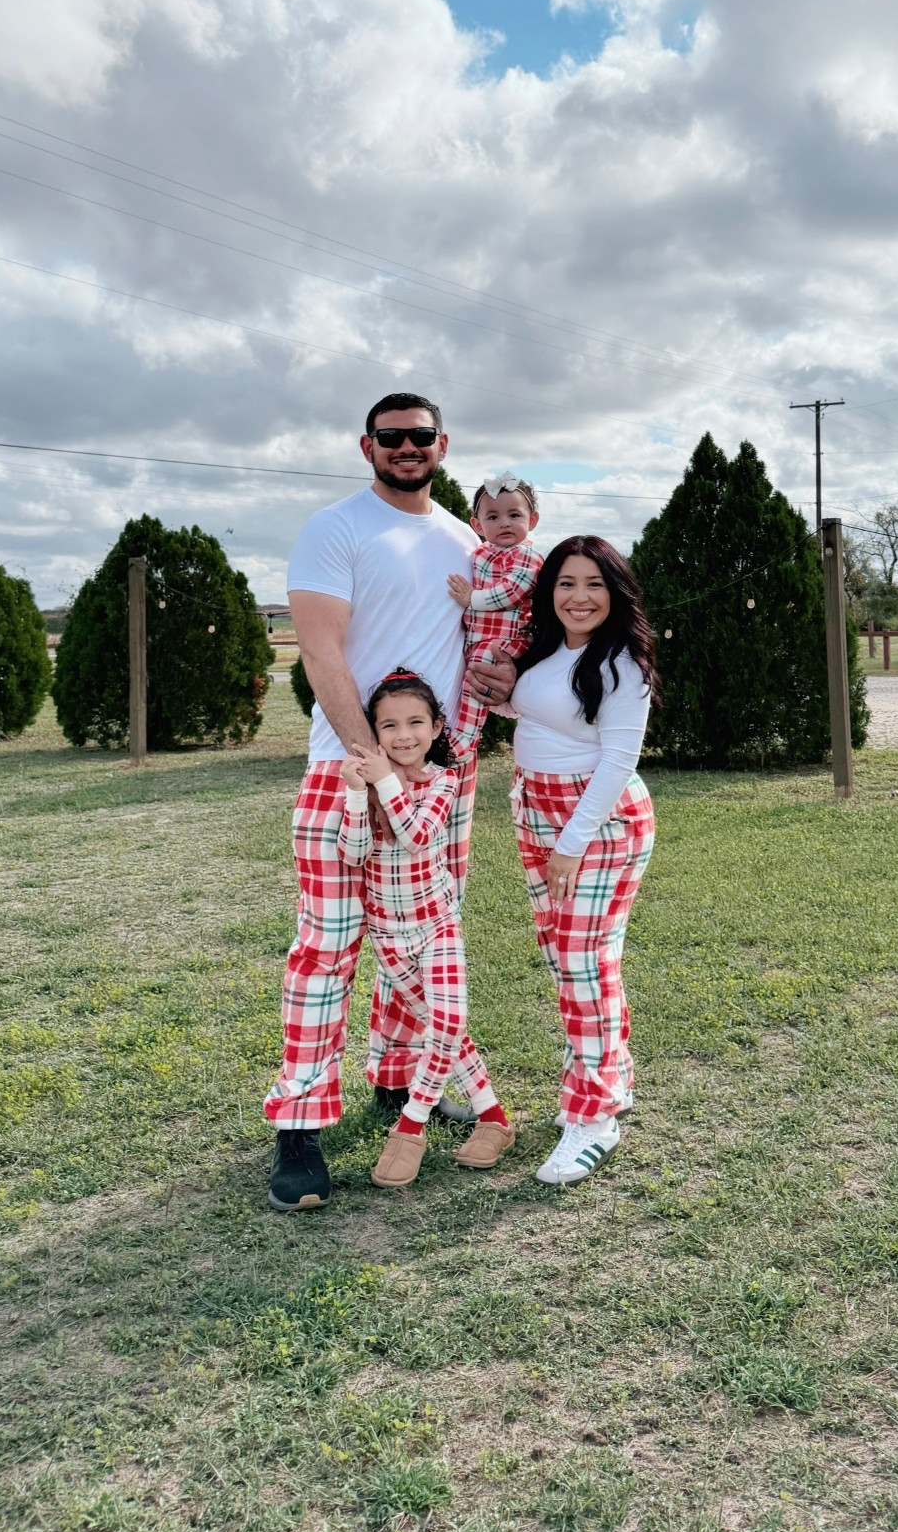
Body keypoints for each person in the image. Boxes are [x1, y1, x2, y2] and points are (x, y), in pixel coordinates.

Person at [265, 391, 495, 1212]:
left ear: (441, 444)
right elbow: (321, 653)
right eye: (392, 437)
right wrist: (371, 761)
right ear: (368, 445)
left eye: (420, 437)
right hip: (347, 771)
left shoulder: (467, 540)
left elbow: (478, 648)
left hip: (438, 782)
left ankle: (397, 1081)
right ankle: (298, 1127)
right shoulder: (336, 528)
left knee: (419, 935)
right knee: (327, 950)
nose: (407, 447)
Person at [265, 669, 514, 1196]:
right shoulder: (373, 789)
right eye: (390, 726)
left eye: (416, 722)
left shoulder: (443, 781)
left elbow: (419, 836)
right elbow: (354, 852)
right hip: (390, 935)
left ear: (437, 725)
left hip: (436, 924)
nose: (404, 736)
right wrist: (360, 795)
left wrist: (383, 783)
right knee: (440, 1024)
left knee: (448, 1022)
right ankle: (493, 1115)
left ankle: (411, 1127)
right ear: (373, 733)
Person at [503, 537, 658, 1187]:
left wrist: (569, 845)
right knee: (572, 962)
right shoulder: (546, 651)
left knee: (580, 961)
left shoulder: (622, 663)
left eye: (593, 584)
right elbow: (542, 714)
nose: (579, 596)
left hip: (598, 822)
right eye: (566, 583)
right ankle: (610, 1079)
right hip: (535, 811)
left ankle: (593, 1116)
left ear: (613, 592)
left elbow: (617, 761)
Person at [446, 471, 542, 755]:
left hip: (506, 638)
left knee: (479, 671)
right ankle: (454, 727)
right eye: (493, 518)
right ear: (476, 525)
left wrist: (471, 598)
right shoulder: (480, 554)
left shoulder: (526, 556)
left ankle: (465, 736)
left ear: (532, 520)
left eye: (514, 515)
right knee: (466, 677)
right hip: (479, 637)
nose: (504, 524)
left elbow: (512, 591)